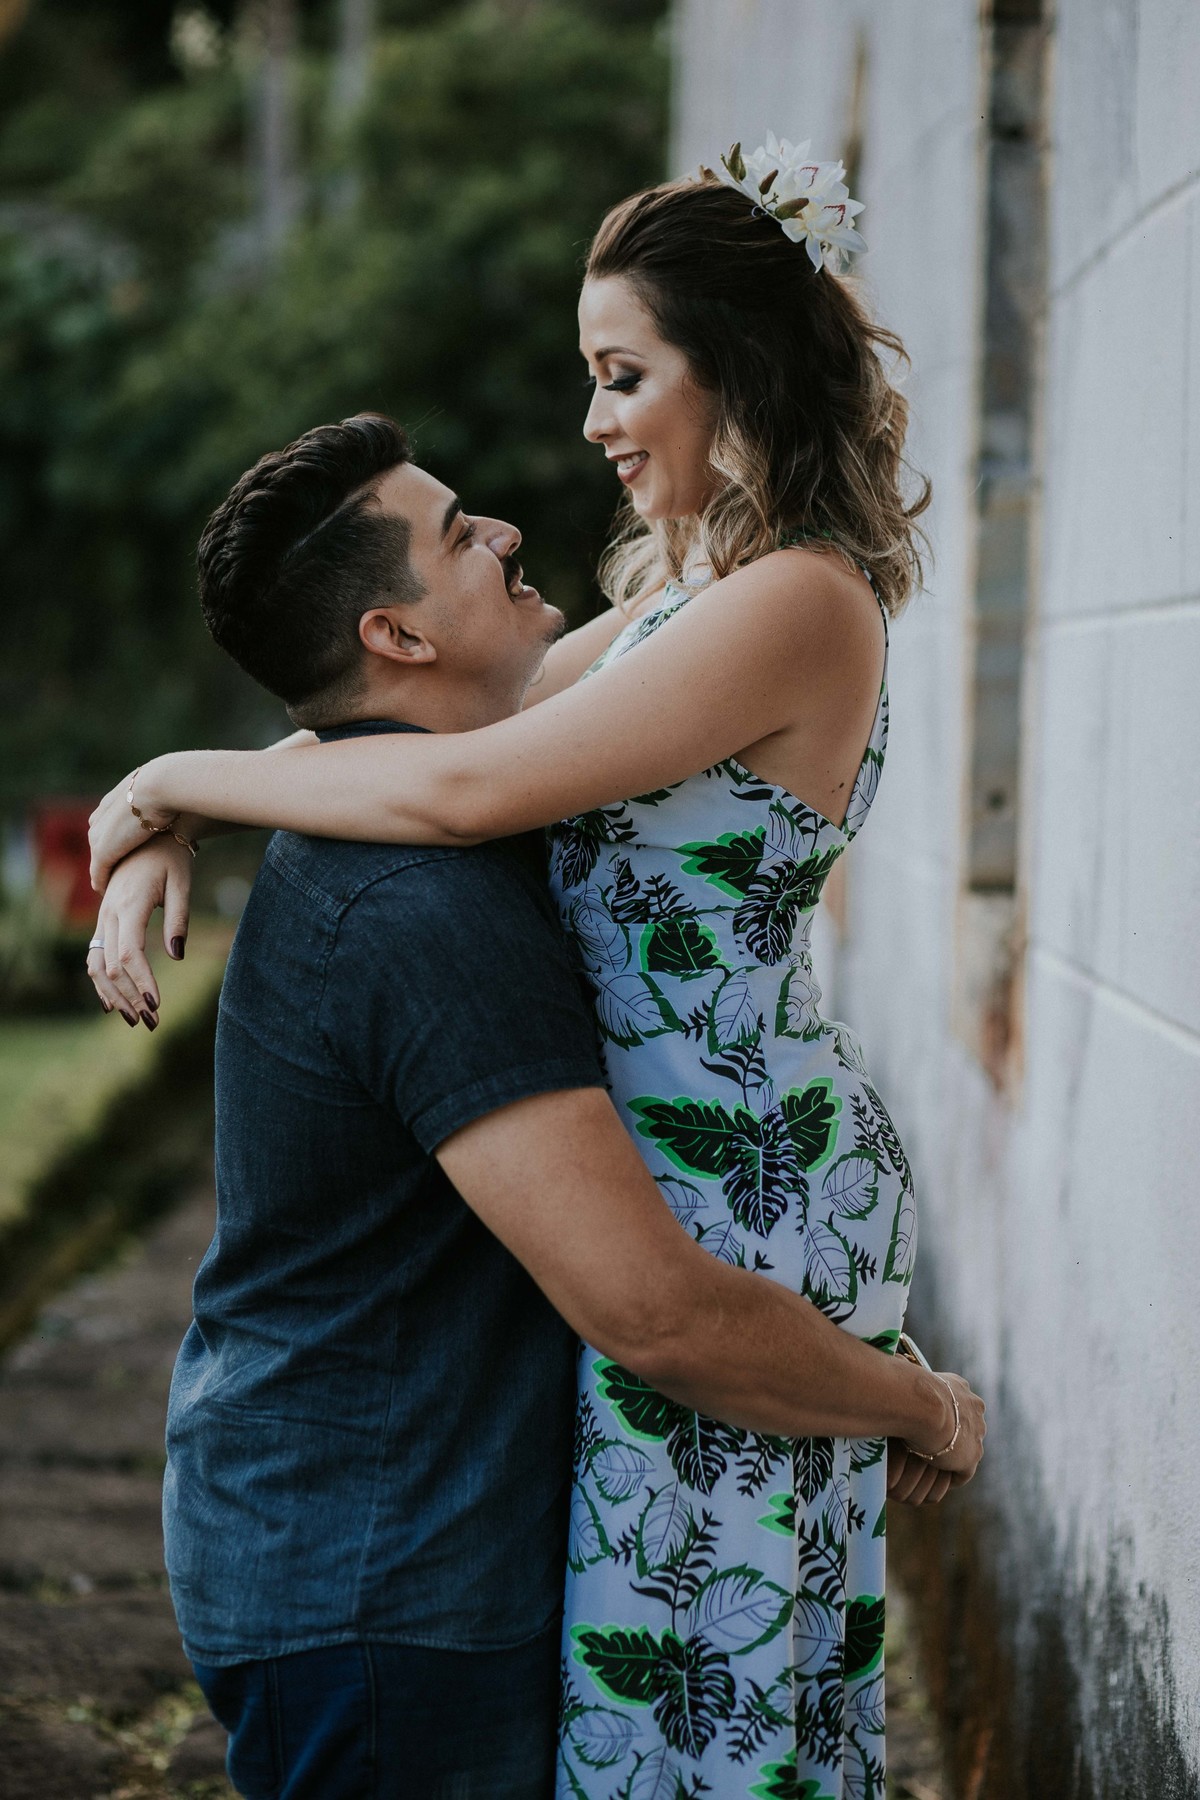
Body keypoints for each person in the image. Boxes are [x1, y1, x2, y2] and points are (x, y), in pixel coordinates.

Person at [89, 142, 980, 1799]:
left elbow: (461, 781)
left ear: (741, 374)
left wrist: (165, 788)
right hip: (656, 1169)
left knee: (706, 1701)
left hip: (740, 1179)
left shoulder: (795, 604)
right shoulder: (672, 596)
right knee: (654, 1676)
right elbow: (400, 720)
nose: (590, 424)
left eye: (624, 375)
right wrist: (167, 814)